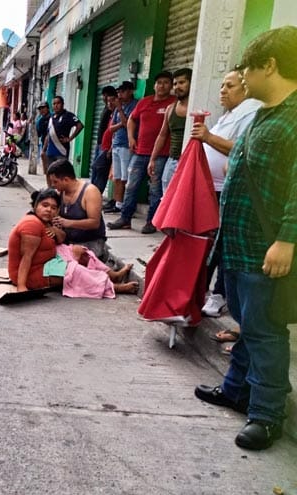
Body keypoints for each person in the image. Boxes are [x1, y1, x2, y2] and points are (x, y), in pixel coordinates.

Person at [195, 26, 297, 451]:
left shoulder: (293, 118)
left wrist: (286, 239)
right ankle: (237, 389)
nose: (241, 77)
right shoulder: (263, 114)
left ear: (269, 66)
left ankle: (267, 415)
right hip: (237, 244)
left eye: (246, 70)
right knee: (247, 325)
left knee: (265, 331)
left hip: (264, 248)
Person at [191, 69, 262, 319]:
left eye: (230, 86)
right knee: (209, 243)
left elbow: (243, 148)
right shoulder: (231, 114)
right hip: (211, 188)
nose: (222, 90)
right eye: (222, 85)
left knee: (222, 245)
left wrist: (208, 137)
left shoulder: (252, 111)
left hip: (226, 190)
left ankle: (219, 295)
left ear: (246, 86)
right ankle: (203, 292)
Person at [7, 188, 135, 295]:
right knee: (76, 271)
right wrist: (22, 286)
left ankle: (113, 276)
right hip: (32, 273)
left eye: (53, 207)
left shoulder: (47, 221)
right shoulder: (31, 224)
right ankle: (114, 287)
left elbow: (62, 238)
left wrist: (55, 230)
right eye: (44, 205)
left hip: (48, 261)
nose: (49, 210)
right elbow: (26, 257)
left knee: (83, 252)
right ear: (35, 206)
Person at [107, 71, 176, 233]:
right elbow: (132, 119)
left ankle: (152, 221)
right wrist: (131, 137)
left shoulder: (173, 103)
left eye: (166, 83)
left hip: (161, 154)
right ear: (154, 85)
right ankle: (125, 218)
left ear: (171, 86)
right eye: (159, 82)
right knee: (131, 185)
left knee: (155, 189)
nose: (162, 86)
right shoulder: (145, 102)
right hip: (140, 152)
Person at [47, 159, 108, 261]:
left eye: (55, 182)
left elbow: (94, 223)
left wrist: (68, 223)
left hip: (90, 243)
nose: (53, 185)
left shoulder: (90, 192)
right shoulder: (60, 192)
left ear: (66, 180)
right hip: (68, 242)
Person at [149, 68, 192, 193]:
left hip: (190, 161)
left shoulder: (198, 108)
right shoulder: (170, 109)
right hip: (172, 161)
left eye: (182, 82)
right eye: (175, 83)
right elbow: (162, 135)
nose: (177, 87)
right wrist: (152, 159)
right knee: (166, 197)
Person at [105, 81, 138, 213]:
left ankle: (125, 204)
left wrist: (119, 110)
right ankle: (118, 203)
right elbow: (111, 128)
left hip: (126, 145)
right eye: (118, 92)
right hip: (117, 144)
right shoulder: (120, 107)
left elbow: (128, 124)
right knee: (117, 177)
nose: (119, 95)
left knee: (125, 177)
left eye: (122, 91)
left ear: (130, 91)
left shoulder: (134, 106)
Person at [43, 96, 84, 185]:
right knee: (49, 173)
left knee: (61, 174)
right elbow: (48, 134)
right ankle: (50, 190)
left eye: (58, 103)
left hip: (62, 151)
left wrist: (70, 138)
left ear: (62, 104)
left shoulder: (68, 115)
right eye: (54, 104)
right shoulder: (51, 117)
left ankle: (61, 191)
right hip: (50, 151)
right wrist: (44, 150)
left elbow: (80, 125)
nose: (56, 105)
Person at [91, 86, 118, 194]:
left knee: (101, 169)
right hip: (101, 144)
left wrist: (110, 148)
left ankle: (96, 193)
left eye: (108, 98)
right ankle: (92, 191)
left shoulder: (115, 112)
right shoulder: (108, 109)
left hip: (107, 146)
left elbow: (114, 131)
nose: (106, 100)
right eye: (106, 99)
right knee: (96, 168)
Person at [35, 102, 51, 176]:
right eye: (40, 109)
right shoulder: (39, 121)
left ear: (48, 108)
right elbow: (38, 134)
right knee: (45, 160)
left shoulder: (53, 117)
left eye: (43, 108)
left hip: (55, 143)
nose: (42, 110)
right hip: (45, 143)